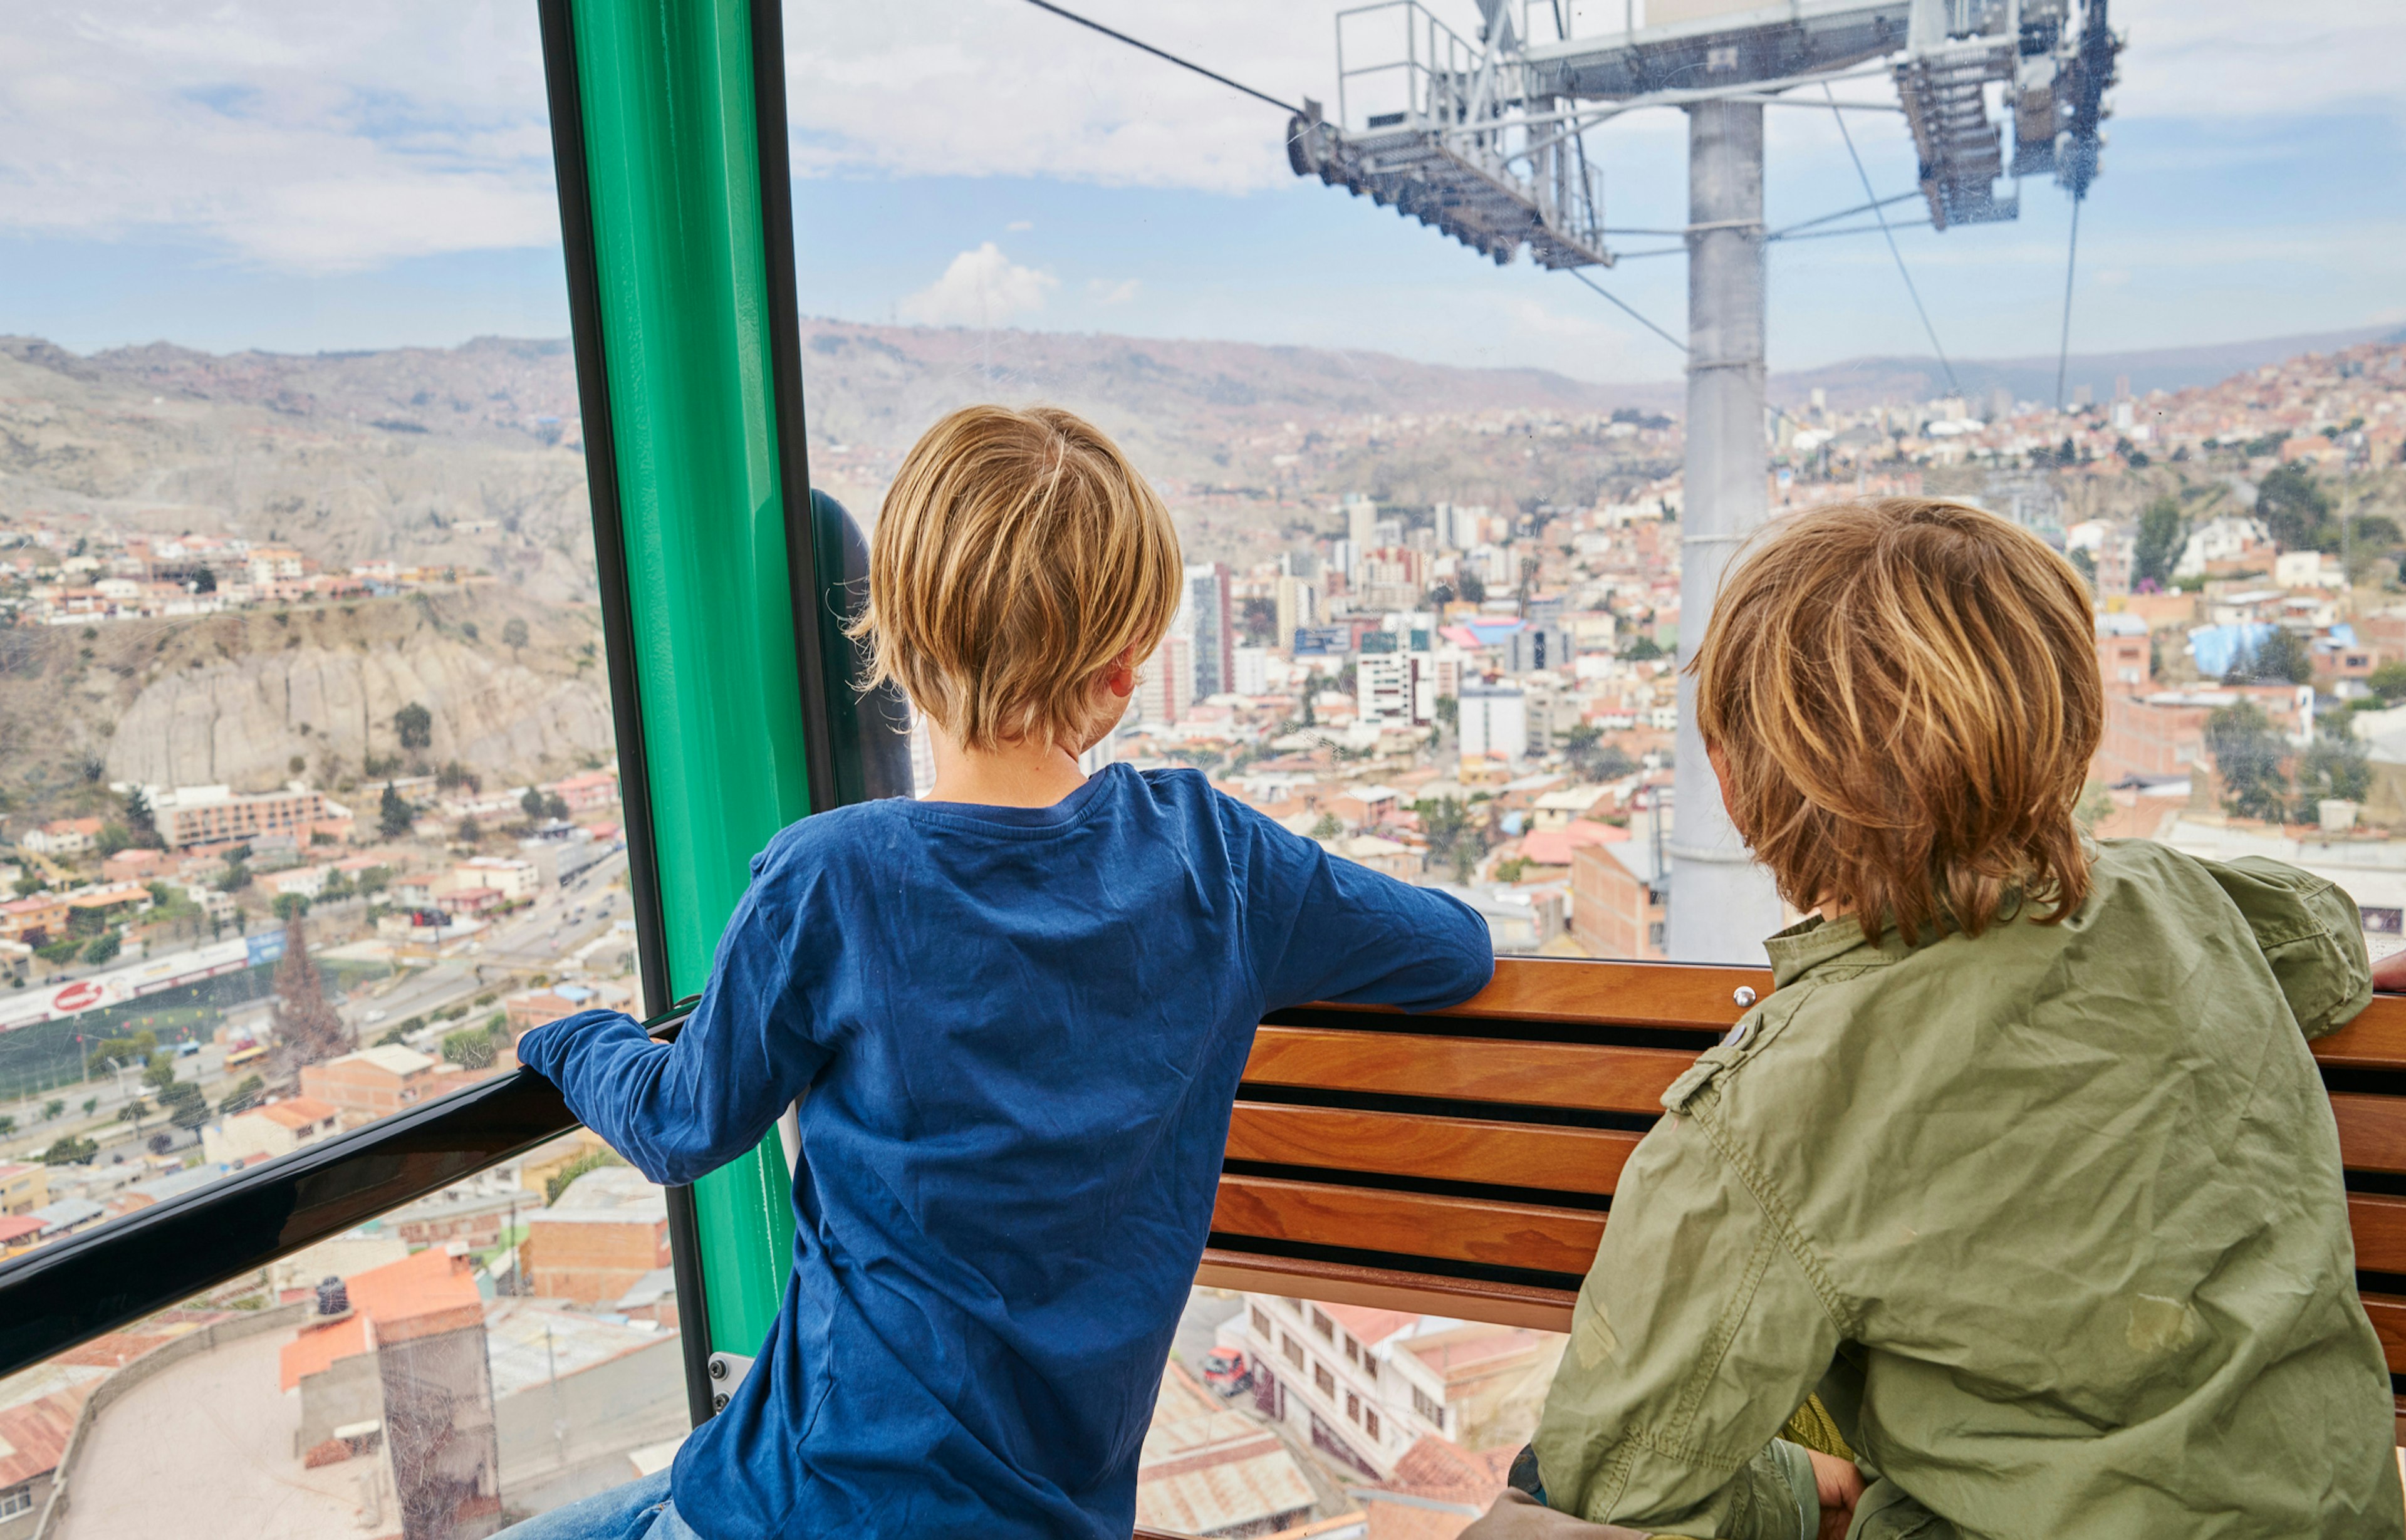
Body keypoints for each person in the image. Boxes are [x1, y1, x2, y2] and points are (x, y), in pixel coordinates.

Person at [501, 403, 1495, 1540]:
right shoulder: (1218, 859)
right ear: (1121, 676)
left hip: (808, 1503)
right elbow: (1454, 947)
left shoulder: (829, 879)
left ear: (898, 642)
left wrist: (569, 1038)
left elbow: (681, 1125)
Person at [1466, 499, 2402, 1540]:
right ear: (2076, 731)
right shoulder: (2183, 898)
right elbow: (2326, 945)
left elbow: (1614, 1488)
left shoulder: (1766, 1119)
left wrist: (1791, 1493)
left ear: (1733, 786)